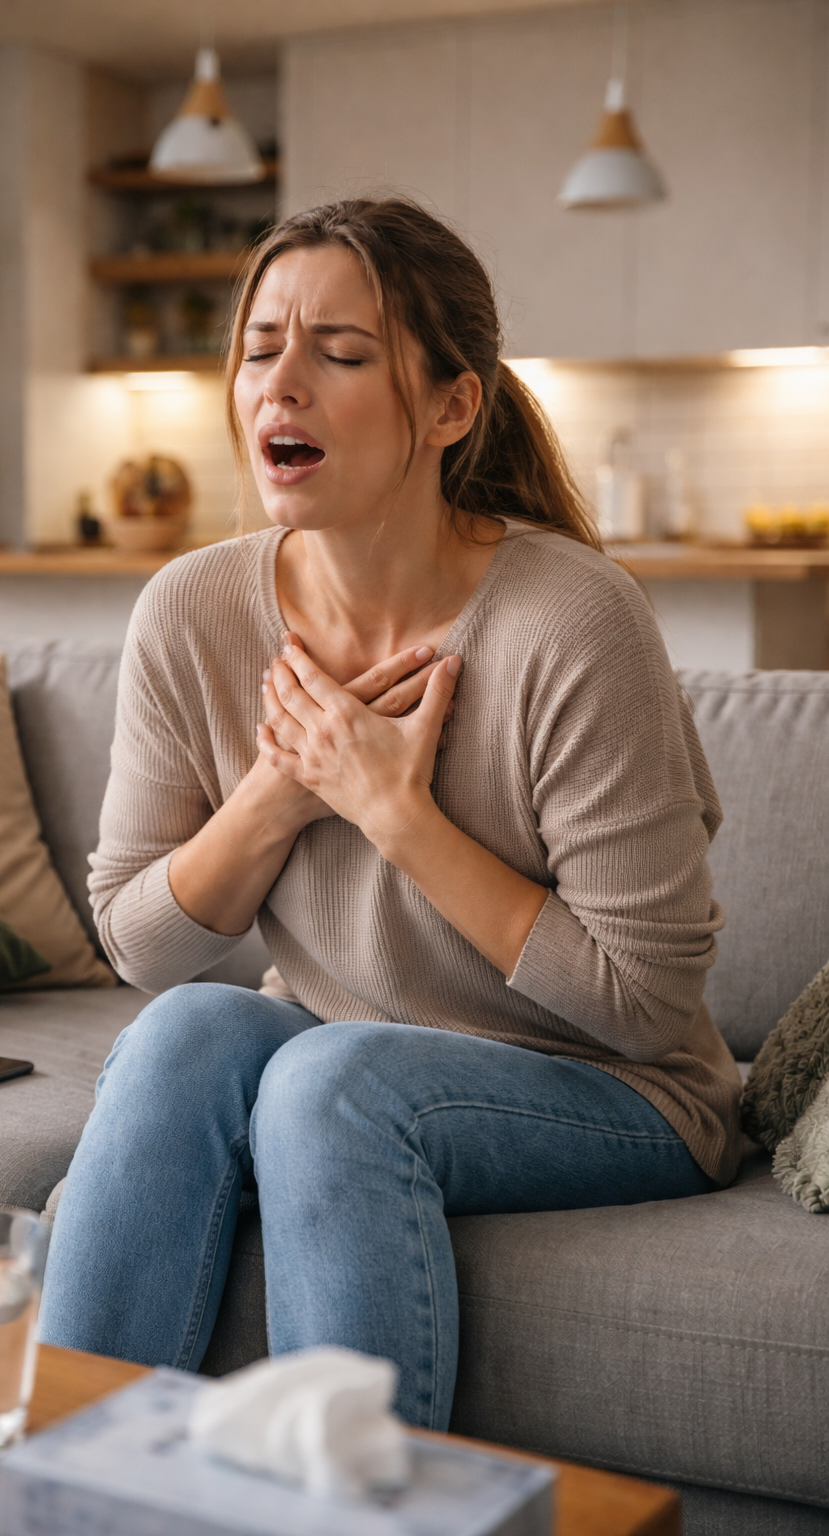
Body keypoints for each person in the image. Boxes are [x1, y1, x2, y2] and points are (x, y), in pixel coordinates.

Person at [39, 198, 744, 1433]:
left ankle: (353, 1511)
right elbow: (139, 943)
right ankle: (65, 1481)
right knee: (184, 1033)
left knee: (331, 1081)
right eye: (261, 348)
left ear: (451, 406)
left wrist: (393, 810)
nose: (281, 385)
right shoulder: (189, 611)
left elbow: (642, 1004)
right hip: (346, 1035)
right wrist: (280, 791)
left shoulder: (573, 622)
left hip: (616, 1089)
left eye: (342, 354)